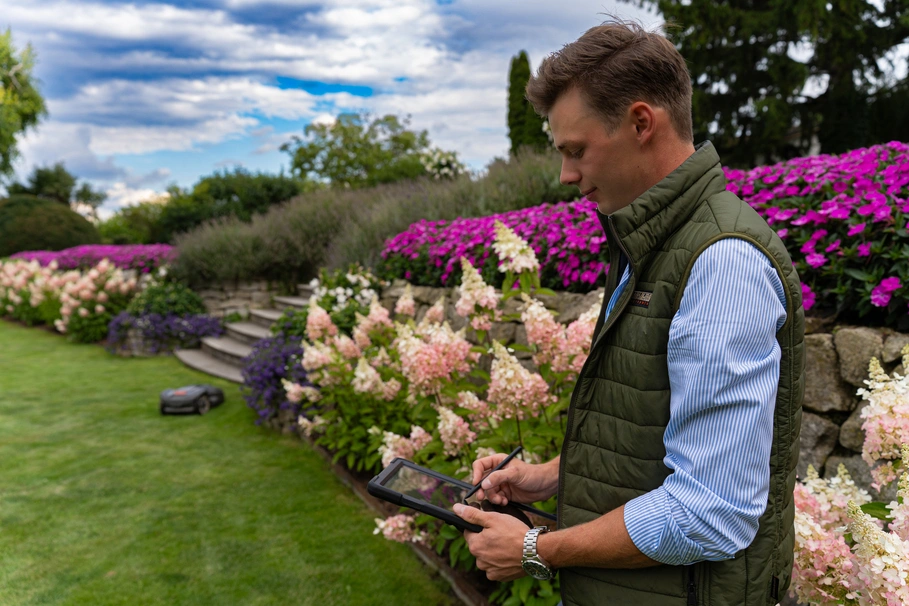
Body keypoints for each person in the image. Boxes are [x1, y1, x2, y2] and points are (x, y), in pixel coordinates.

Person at [452, 20, 804, 606]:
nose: (566, 175)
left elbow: (710, 511)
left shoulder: (722, 265)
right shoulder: (652, 244)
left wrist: (537, 548)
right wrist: (548, 475)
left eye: (576, 150)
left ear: (642, 123)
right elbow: (653, 431)